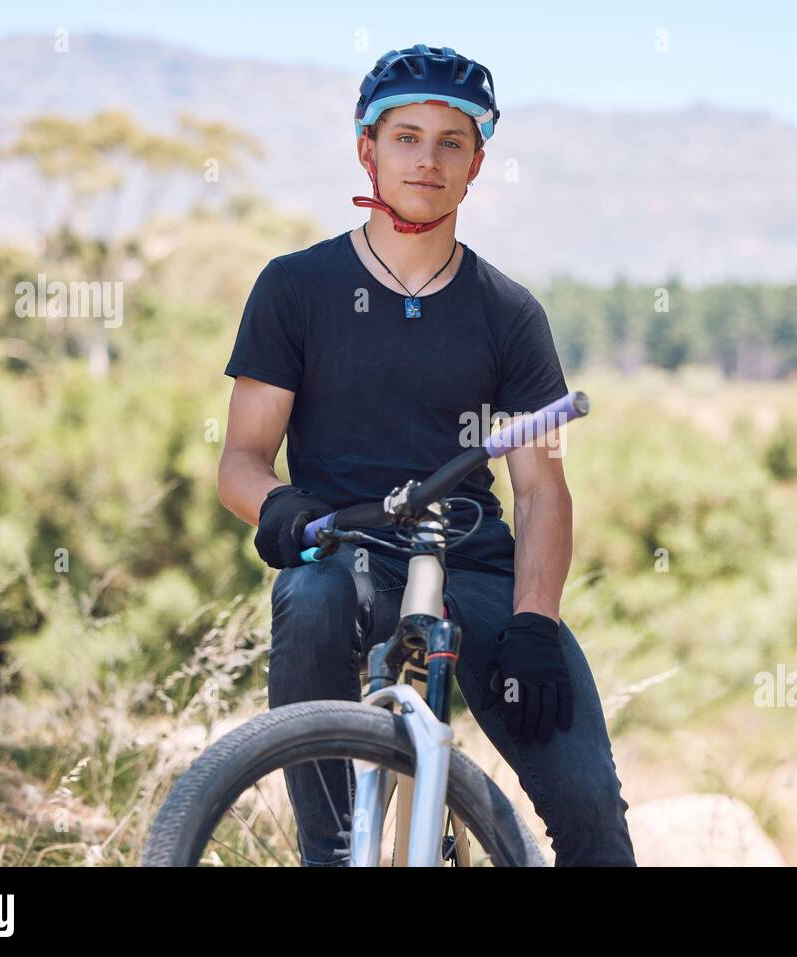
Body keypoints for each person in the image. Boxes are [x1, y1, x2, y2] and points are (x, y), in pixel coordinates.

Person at [218, 43, 636, 866]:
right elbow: (241, 456)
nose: (427, 159)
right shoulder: (296, 287)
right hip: (345, 546)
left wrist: (535, 623)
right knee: (311, 594)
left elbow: (543, 489)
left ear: (477, 163)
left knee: (592, 817)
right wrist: (279, 507)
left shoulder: (509, 311)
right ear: (367, 149)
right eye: (407, 137)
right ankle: (331, 852)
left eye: (451, 142)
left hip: (474, 566)